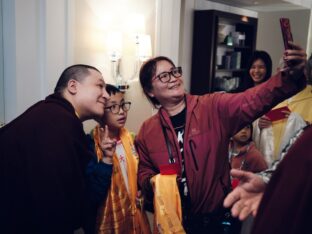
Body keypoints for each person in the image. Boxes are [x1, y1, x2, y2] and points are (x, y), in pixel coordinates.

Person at [135, 42, 306, 234]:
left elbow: (252, 99)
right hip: (172, 224)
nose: (173, 79)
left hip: (214, 220)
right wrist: (152, 182)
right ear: (151, 90)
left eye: (175, 72)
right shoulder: (147, 131)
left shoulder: (212, 107)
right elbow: (144, 171)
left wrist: (288, 77)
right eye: (164, 76)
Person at [0, 64, 110, 234]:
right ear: (73, 86)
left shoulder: (52, 114)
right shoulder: (56, 122)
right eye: (100, 86)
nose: (106, 95)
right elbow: (53, 201)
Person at [86, 84, 151, 234]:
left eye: (122, 105)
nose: (121, 111)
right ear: (100, 111)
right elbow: (92, 194)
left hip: (135, 214)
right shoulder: (90, 145)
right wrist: (106, 158)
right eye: (113, 107)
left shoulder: (132, 139)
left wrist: (141, 189)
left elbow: (138, 173)